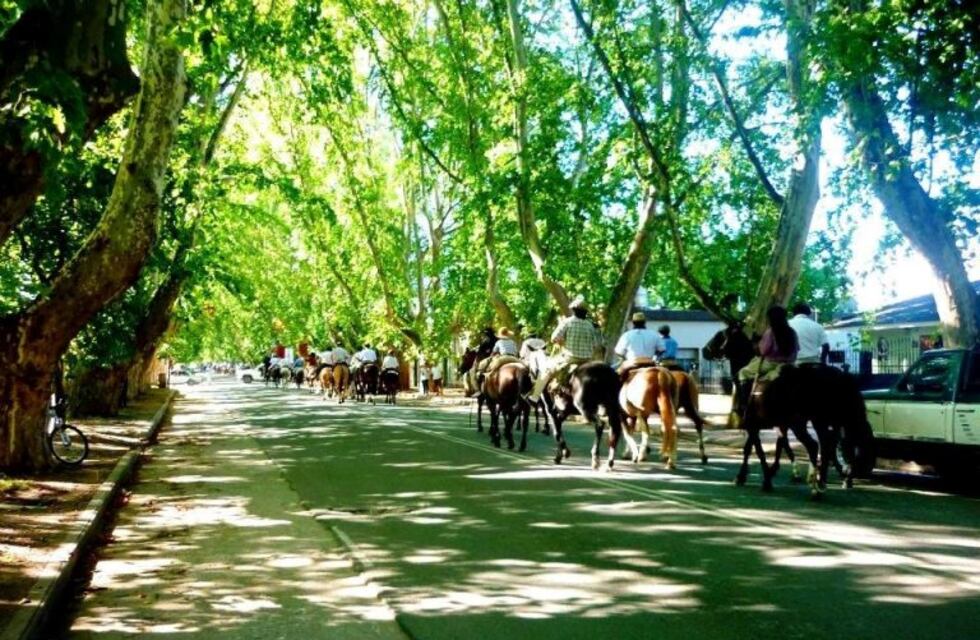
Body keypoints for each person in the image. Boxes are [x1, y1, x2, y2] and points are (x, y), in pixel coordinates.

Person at [729, 306, 799, 428]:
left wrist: (756, 344)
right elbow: (797, 349)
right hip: (789, 364)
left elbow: (763, 350)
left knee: (742, 373)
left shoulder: (771, 331)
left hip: (770, 363)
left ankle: (745, 404)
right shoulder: (792, 332)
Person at [526, 296, 603, 403]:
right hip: (587, 360)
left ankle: (534, 397)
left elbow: (554, 338)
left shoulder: (567, 322)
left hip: (569, 358)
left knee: (545, 369)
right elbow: (596, 344)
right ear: (585, 312)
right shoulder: (590, 325)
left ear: (574, 310)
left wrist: (562, 341)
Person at [613, 311, 662, 380]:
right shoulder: (654, 334)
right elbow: (661, 349)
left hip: (632, 363)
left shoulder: (627, 335)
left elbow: (619, 352)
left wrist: (624, 357)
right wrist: (655, 355)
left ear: (633, 322)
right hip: (650, 363)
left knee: (616, 378)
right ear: (645, 322)